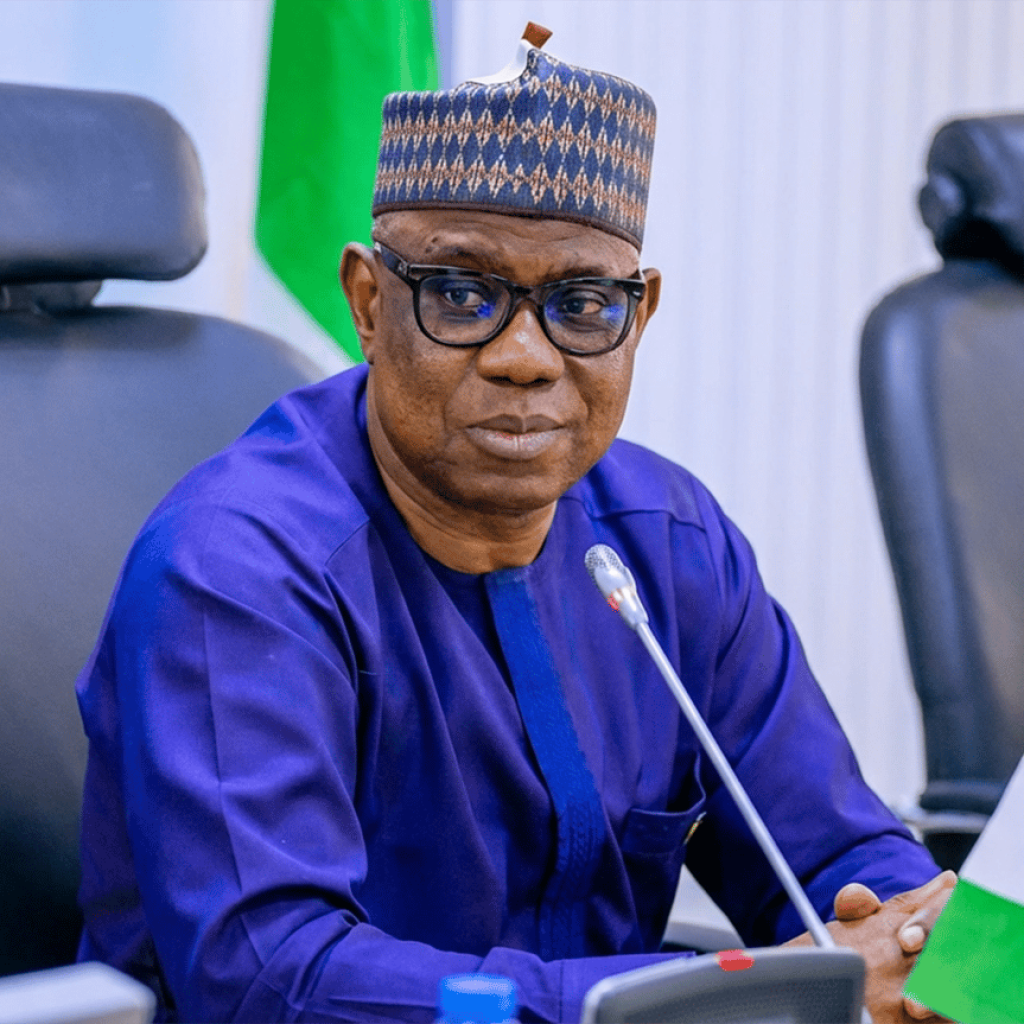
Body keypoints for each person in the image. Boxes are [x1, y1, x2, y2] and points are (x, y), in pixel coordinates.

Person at [75, 25, 953, 1024]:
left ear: (639, 317)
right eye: (462, 295)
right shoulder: (235, 567)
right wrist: (678, 1002)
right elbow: (275, 980)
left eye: (583, 304)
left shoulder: (670, 542)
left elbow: (837, 853)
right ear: (368, 303)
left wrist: (914, 946)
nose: (526, 358)